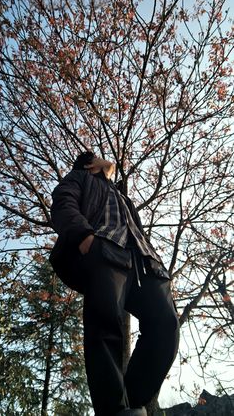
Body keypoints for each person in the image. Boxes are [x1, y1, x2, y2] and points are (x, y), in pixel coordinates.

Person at [49, 152, 180, 416]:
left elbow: (137, 228)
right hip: (105, 248)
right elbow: (63, 203)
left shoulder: (120, 194)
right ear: (89, 165)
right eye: (96, 159)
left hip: (143, 261)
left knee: (166, 326)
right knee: (106, 324)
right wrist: (84, 237)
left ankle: (130, 404)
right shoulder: (79, 178)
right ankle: (113, 410)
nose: (104, 161)